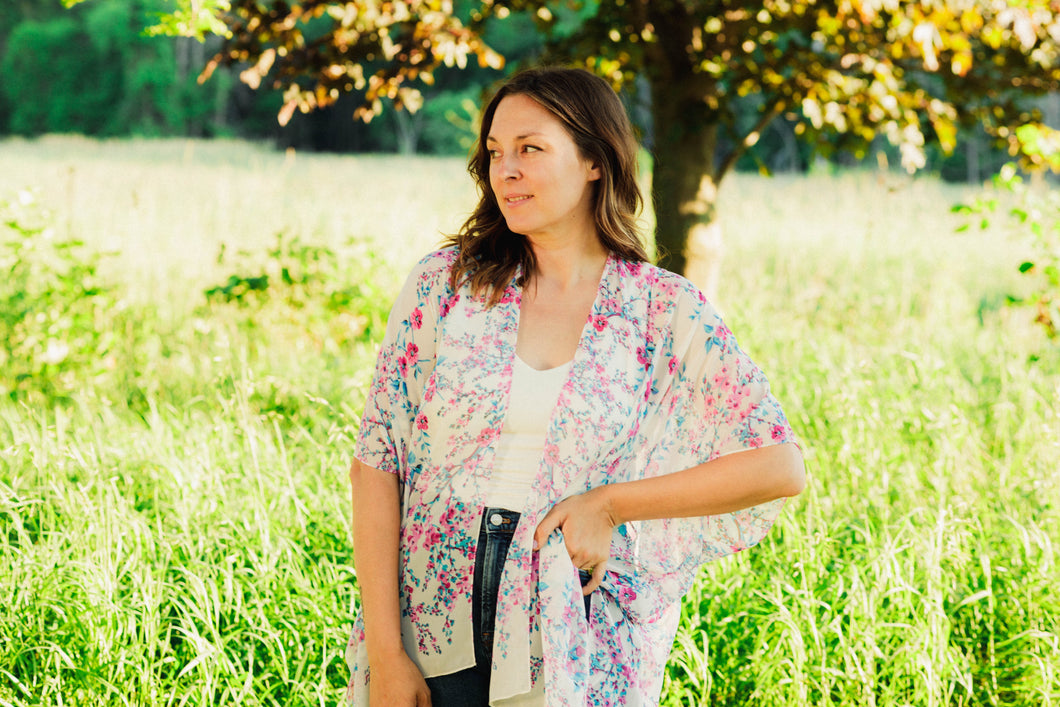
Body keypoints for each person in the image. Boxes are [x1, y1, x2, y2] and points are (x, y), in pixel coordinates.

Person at [345, 67, 806, 707]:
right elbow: (376, 464)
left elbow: (778, 465)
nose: (506, 169)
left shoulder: (662, 309)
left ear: (594, 160)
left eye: (530, 149)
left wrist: (611, 505)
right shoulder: (444, 287)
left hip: (575, 630)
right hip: (431, 616)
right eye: (495, 153)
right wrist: (387, 652)